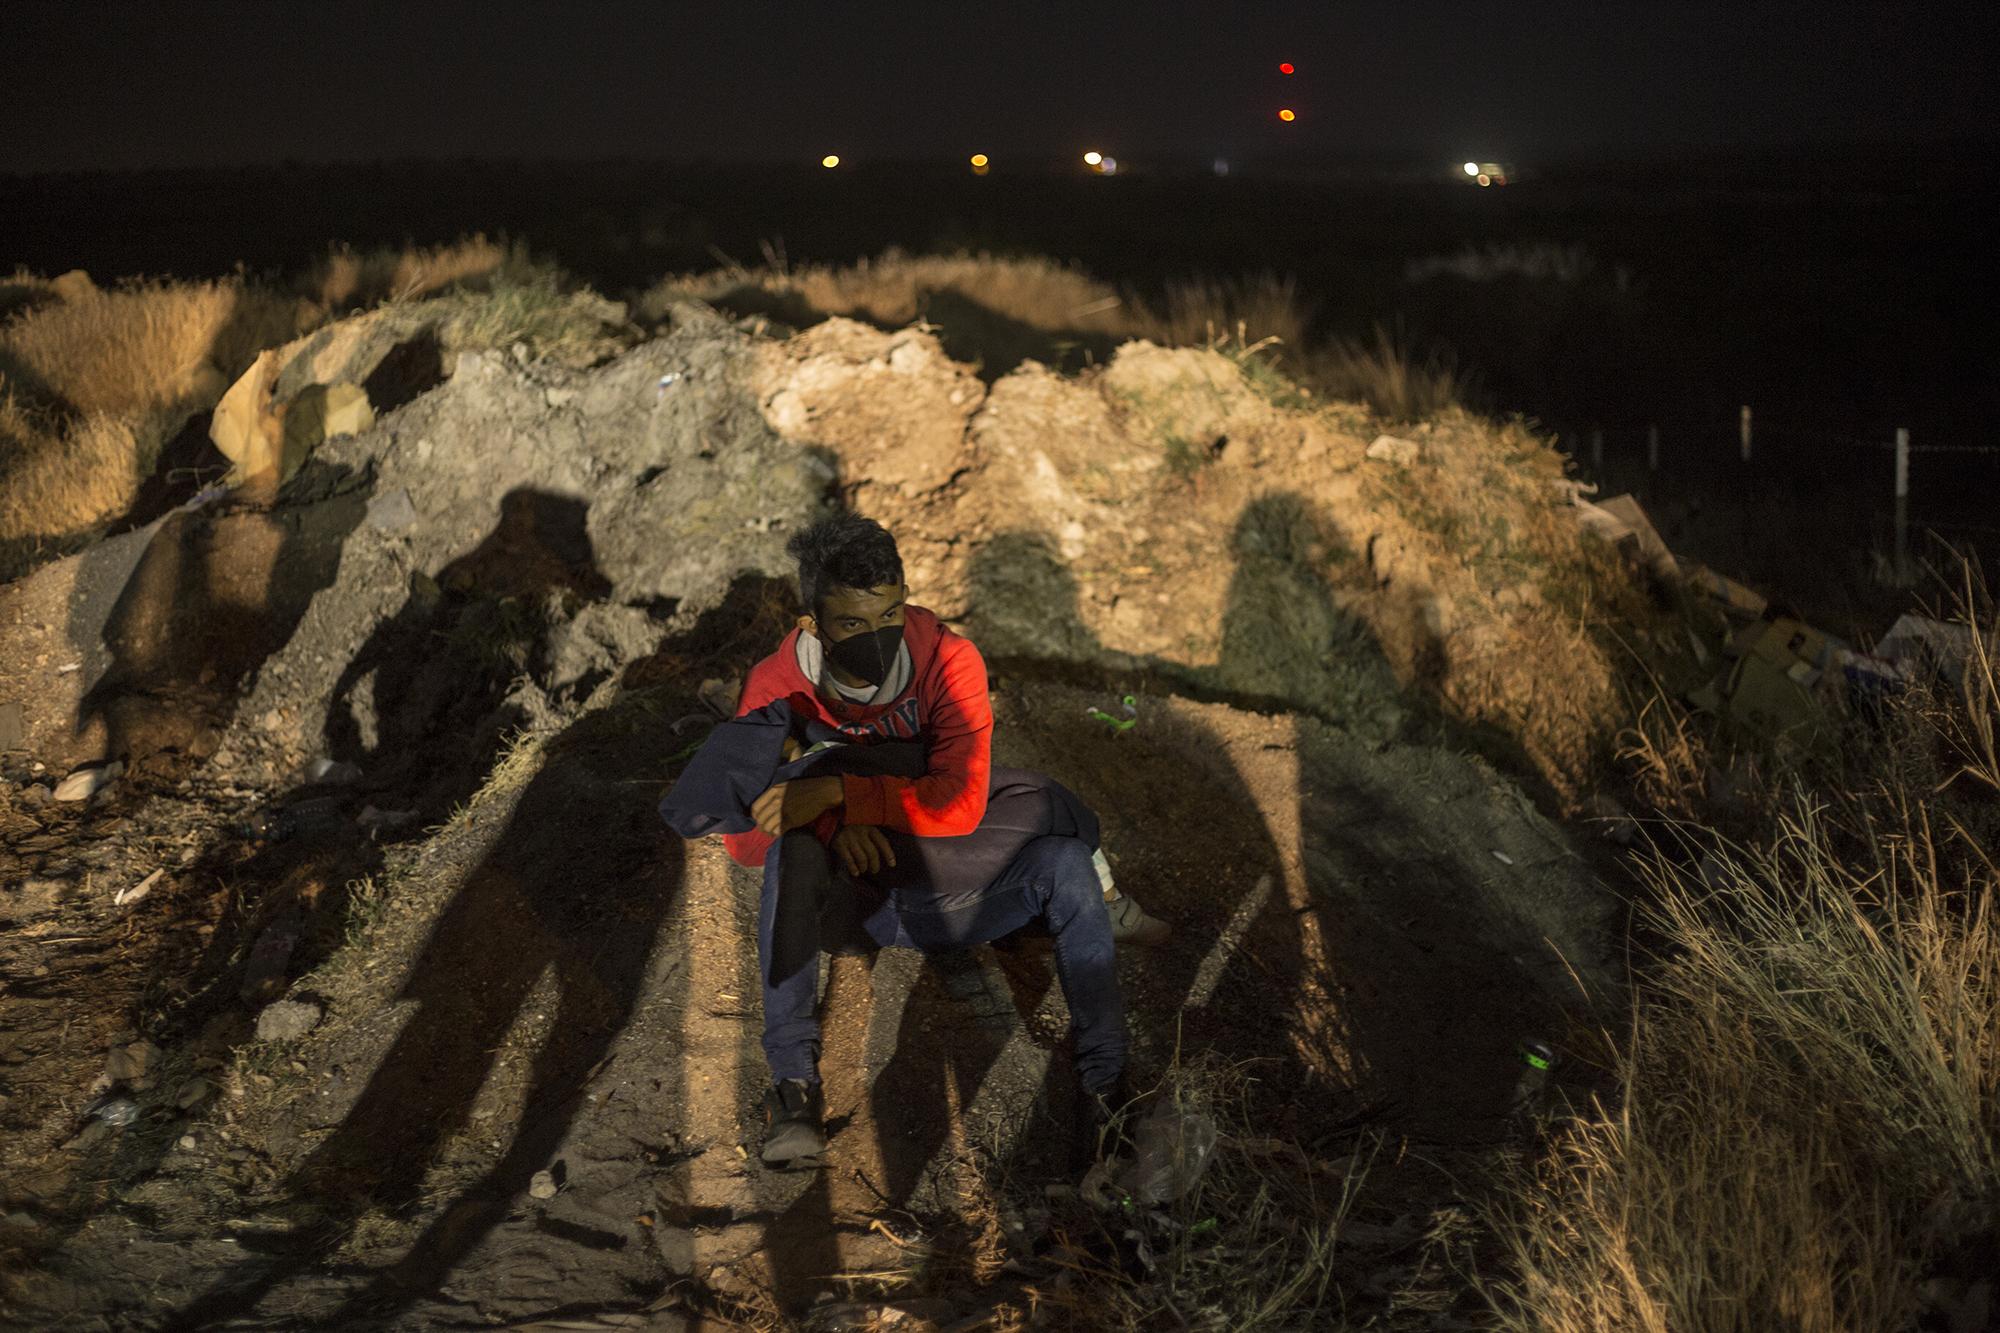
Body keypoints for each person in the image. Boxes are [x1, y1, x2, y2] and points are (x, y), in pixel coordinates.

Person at [718, 514, 1165, 1166]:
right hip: (862, 904)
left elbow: (957, 805)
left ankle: (1105, 1091)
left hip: (962, 879)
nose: (878, 636)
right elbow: (742, 842)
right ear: (814, 621)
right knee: (794, 844)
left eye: (891, 611)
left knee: (1056, 840)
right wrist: (828, 820)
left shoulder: (949, 658)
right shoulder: (777, 683)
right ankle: (793, 1087)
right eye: (852, 622)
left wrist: (842, 793)